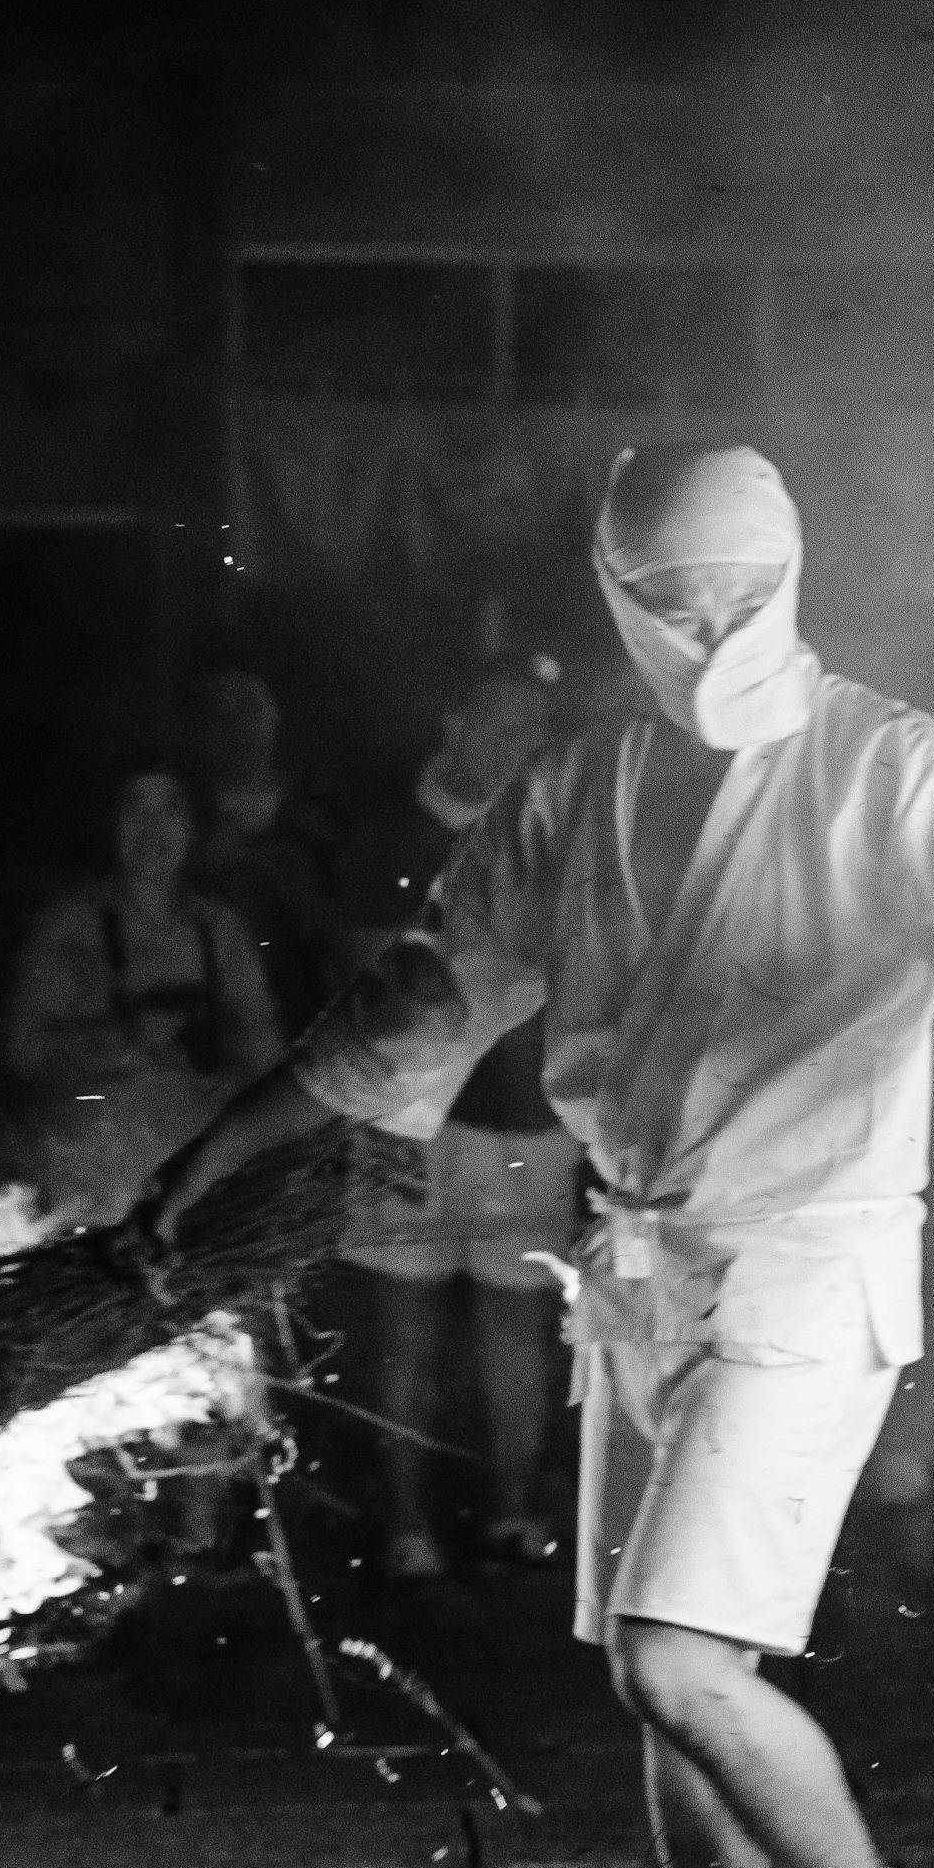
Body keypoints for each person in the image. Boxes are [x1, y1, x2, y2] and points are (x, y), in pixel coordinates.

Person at [141, 445, 934, 1868]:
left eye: (743, 593)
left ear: (796, 572)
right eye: (672, 601)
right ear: (617, 600)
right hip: (637, 1268)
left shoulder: (894, 766)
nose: (713, 632)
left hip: (810, 1259)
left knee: (674, 1655)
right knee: (661, 1676)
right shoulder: (577, 789)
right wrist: (225, 1138)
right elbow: (415, 1001)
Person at [330, 655, 583, 1583]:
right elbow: (372, 984)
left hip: (527, 1125)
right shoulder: (390, 837)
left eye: (533, 726)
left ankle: (512, 1516)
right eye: (498, 719)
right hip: (409, 1127)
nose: (516, 741)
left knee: (516, 1327)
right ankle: (407, 1528)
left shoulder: (560, 836)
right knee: (407, 1327)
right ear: (455, 725)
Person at [0, 763, 282, 1232]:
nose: (152, 829)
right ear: (112, 823)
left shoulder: (221, 931)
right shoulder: (69, 926)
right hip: (92, 1181)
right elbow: (23, 1052)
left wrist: (227, 1073)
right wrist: (119, 1040)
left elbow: (265, 1055)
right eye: (136, 809)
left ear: (193, 826)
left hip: (198, 1185)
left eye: (169, 809)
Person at [187, 669, 342, 1033]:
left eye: (249, 708)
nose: (236, 726)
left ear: (275, 715)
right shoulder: (178, 819)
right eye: (219, 714)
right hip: (208, 1019)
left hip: (307, 1017)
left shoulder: (319, 813)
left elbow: (348, 921)